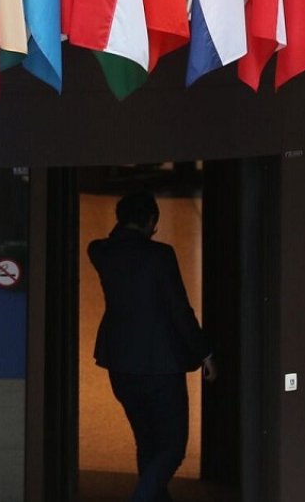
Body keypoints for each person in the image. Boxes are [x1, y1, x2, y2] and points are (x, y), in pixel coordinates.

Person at [88, 191, 215, 502]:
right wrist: (204, 352)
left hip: (120, 362)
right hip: (161, 365)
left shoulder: (100, 252)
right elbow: (179, 309)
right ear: (152, 221)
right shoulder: (160, 256)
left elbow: (113, 243)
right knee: (172, 447)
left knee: (146, 442)